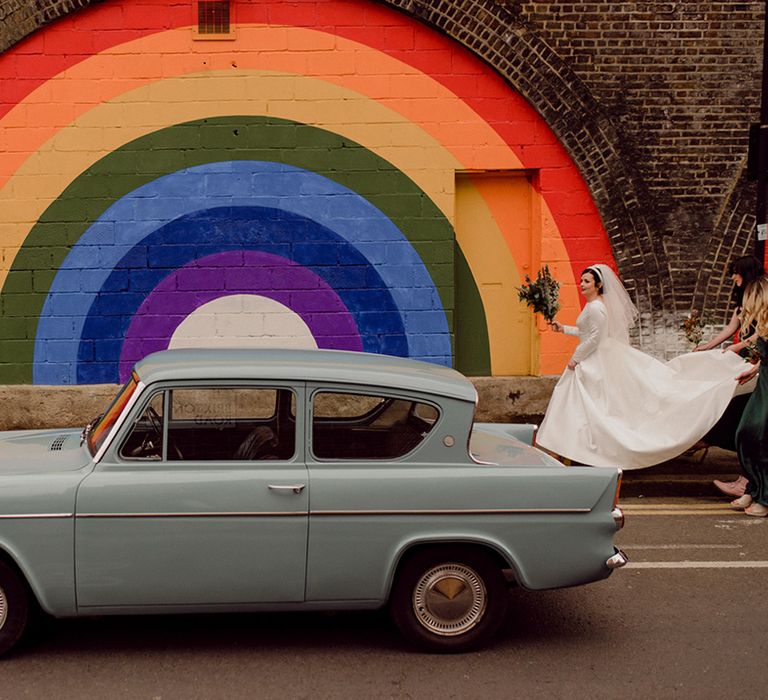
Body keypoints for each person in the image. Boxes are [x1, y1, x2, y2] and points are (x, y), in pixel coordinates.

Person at [535, 264, 750, 469]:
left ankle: (577, 447)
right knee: (578, 404)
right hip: (593, 358)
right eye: (581, 280)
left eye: (587, 281)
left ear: (598, 285)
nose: (581, 284)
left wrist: (576, 358)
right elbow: (587, 333)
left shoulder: (597, 308)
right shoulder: (594, 306)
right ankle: (567, 446)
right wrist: (563, 329)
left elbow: (595, 339)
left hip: (594, 361)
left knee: (591, 406)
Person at [692, 255, 764, 497]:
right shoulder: (743, 299)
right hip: (751, 362)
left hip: (754, 361)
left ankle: (746, 480)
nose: (732, 277)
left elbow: (762, 333)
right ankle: (745, 479)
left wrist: (738, 348)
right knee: (735, 412)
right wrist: (707, 346)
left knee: (740, 416)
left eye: (735, 272)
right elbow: (730, 328)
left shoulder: (761, 295)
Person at [726, 275, 768, 517]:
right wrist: (753, 370)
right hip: (763, 382)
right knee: (745, 432)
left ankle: (764, 497)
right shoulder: (764, 323)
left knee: (760, 435)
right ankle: (753, 488)